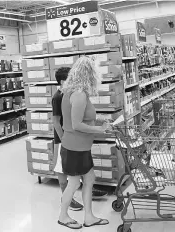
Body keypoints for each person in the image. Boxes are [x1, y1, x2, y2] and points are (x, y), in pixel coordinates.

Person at [57, 56, 112, 229]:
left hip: (80, 147)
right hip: (75, 147)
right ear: (89, 74)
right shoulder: (79, 94)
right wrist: (99, 130)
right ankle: (63, 216)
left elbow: (81, 118)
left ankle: (89, 216)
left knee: (89, 178)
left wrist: (98, 120)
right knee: (73, 182)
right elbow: (76, 124)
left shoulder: (71, 91)